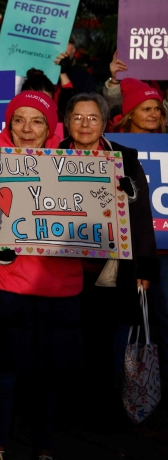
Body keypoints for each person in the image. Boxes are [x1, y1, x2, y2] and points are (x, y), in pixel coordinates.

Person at [0, 90, 76, 460]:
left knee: (48, 374)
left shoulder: (74, 161)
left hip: (60, 286)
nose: (26, 128)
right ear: (8, 123)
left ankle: (44, 448)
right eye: (18, 119)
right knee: (4, 371)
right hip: (7, 284)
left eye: (37, 120)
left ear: (50, 126)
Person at [57, 93, 157, 431]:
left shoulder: (124, 158)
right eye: (78, 118)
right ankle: (63, 406)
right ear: (67, 122)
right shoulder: (48, 157)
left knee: (101, 343)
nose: (85, 124)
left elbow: (141, 216)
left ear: (104, 122)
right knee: (67, 341)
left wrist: (144, 267)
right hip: (62, 271)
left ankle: (99, 409)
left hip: (108, 273)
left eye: (93, 118)